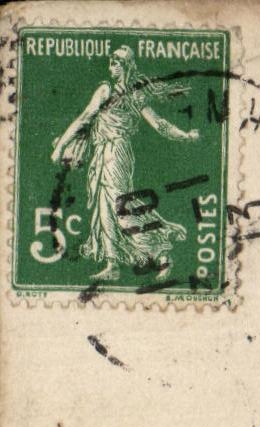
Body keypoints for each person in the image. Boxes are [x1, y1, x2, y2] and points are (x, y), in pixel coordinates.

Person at [51, 47, 200, 282]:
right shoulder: (106, 90)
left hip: (117, 152)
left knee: (121, 207)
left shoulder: (133, 95)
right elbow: (85, 118)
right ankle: (112, 264)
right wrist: (61, 146)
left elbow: (159, 124)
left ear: (127, 66)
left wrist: (185, 136)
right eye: (110, 62)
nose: (111, 67)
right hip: (102, 153)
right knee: (104, 208)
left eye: (116, 63)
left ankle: (162, 255)